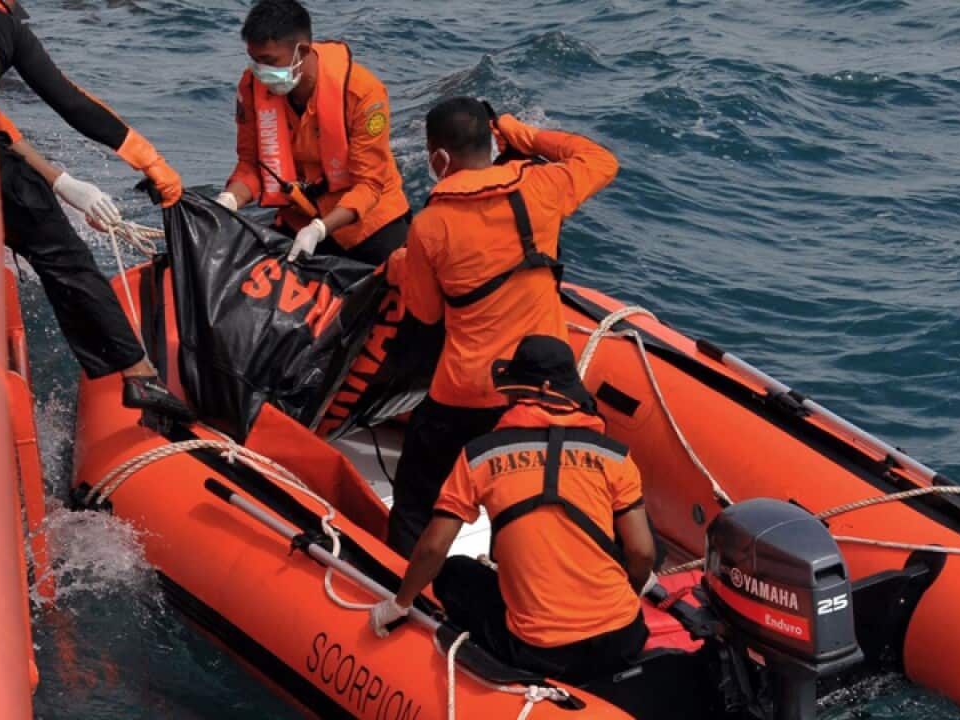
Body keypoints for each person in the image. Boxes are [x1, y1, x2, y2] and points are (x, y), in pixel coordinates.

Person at [384, 97, 619, 556]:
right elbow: (600, 159)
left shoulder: (430, 226)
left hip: (468, 392)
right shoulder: (543, 187)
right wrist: (524, 134)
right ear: (492, 142)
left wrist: (403, 266)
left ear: (438, 158)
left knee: (415, 501)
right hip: (545, 386)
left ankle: (403, 583)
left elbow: (428, 315)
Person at [369, 336, 656, 684]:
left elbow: (432, 547)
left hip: (542, 651)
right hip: (624, 638)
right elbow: (642, 552)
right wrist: (624, 595)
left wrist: (400, 603)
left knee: (454, 571)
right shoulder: (616, 456)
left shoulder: (480, 455)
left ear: (531, 391)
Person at [0, 0, 192, 421]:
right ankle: (139, 373)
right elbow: (71, 102)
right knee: (65, 256)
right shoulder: (2, 26)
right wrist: (150, 161)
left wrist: (60, 181)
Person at [215, 0, 410, 266]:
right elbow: (250, 164)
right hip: (299, 222)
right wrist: (229, 200)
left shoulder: (363, 94)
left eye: (269, 61)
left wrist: (320, 229)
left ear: (302, 51)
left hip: (369, 224)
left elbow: (369, 184)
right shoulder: (251, 88)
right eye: (254, 61)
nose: (260, 72)